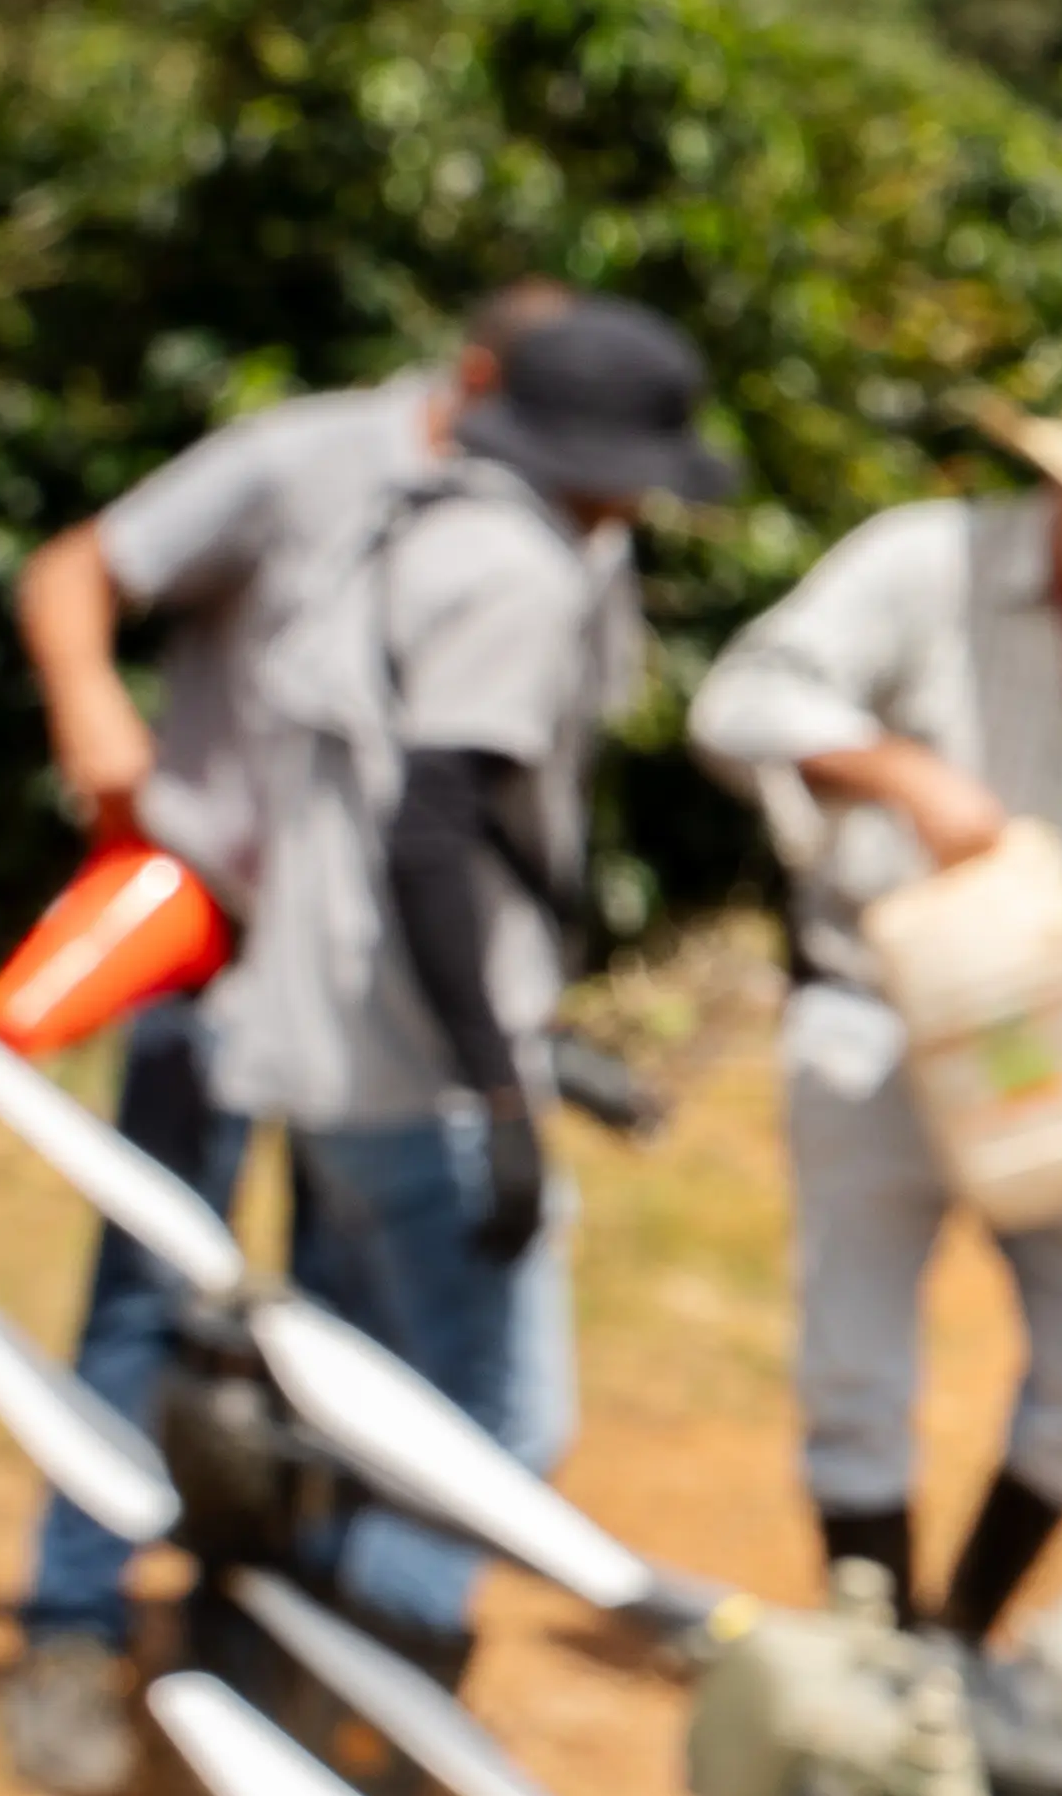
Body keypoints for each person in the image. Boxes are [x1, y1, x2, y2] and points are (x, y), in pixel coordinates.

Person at [0, 282, 568, 1796]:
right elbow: (74, 573)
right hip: (209, 934)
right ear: (488, 377)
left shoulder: (531, 521)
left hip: (361, 987)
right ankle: (72, 1620)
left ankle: (266, 1625)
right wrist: (92, 720)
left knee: (338, 1317)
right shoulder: (306, 462)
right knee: (152, 1277)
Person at [680, 339, 1062, 1644]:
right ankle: (877, 1640)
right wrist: (892, 769)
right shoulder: (922, 566)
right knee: (857, 1360)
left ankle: (960, 1630)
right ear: (1057, 479)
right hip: (880, 1016)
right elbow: (739, 699)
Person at [194, 289, 737, 1697]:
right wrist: (499, 1085)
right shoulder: (517, 576)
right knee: (491, 1429)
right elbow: (433, 833)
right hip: (417, 1068)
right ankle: (374, 1731)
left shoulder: (407, 525)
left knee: (358, 1392)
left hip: (317, 1044)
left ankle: (282, 1661)